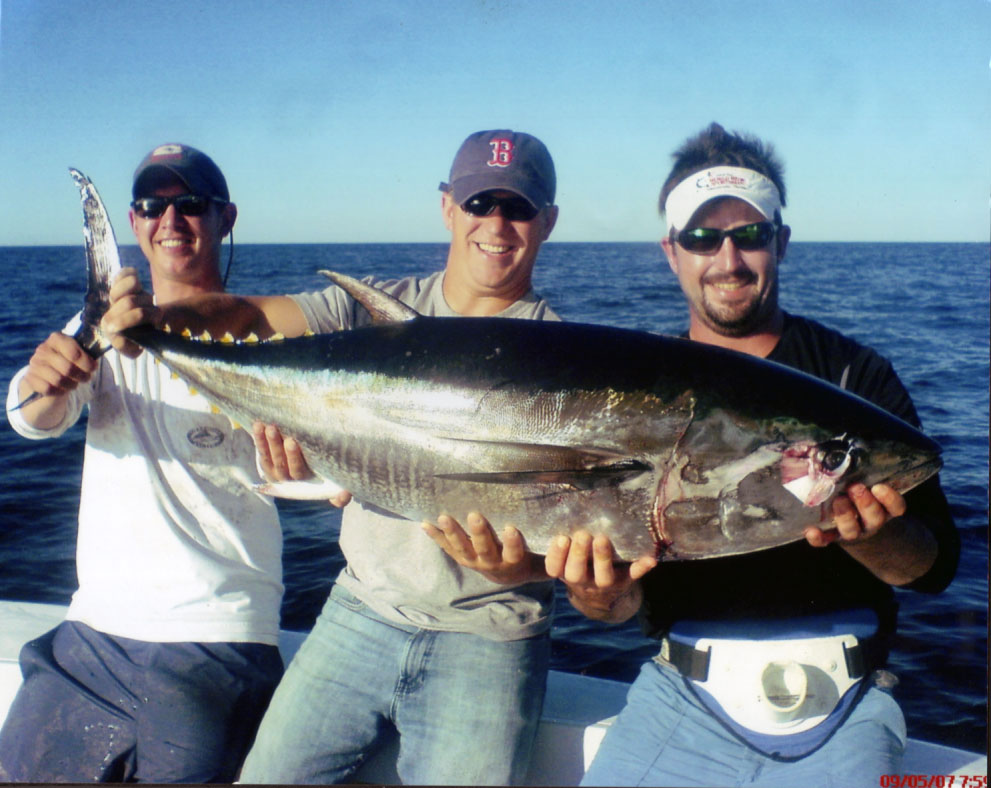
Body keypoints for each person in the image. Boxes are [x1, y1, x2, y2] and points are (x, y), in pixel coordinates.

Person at [106, 129, 562, 785]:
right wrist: (150, 319)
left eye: (516, 207)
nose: (495, 223)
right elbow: (248, 316)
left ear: (547, 221)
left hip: (489, 636)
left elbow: (571, 544)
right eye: (478, 203)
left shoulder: (563, 358)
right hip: (358, 613)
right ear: (446, 208)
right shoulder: (362, 309)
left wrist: (521, 563)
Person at [541, 123, 959, 787]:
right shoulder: (635, 390)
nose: (728, 259)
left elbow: (933, 566)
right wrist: (596, 595)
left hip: (844, 703)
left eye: (750, 235)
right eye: (703, 238)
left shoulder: (855, 379)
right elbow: (620, 603)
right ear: (671, 252)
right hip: (679, 694)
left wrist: (876, 539)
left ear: (781, 243)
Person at [0, 144, 285, 783]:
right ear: (133, 223)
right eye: (153, 206)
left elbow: (309, 480)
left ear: (225, 218)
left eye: (192, 205)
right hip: (90, 637)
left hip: (217, 643)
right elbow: (31, 418)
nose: (171, 220)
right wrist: (49, 380)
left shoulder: (264, 336)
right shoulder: (98, 326)